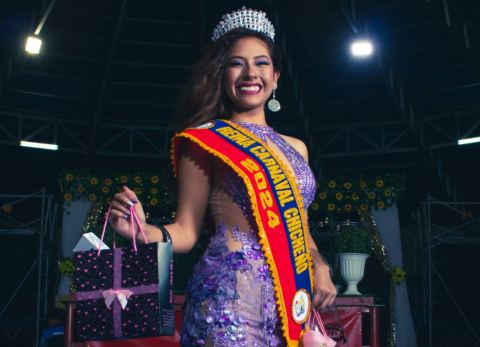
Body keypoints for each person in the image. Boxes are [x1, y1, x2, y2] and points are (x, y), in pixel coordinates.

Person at [108, 7, 336, 347]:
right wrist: (142, 230)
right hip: (229, 301)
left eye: (261, 63)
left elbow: (297, 225)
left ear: (276, 78)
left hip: (289, 302)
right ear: (221, 74)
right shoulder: (204, 141)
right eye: (236, 63)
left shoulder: (297, 148)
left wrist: (319, 264)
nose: (250, 73)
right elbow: (186, 232)